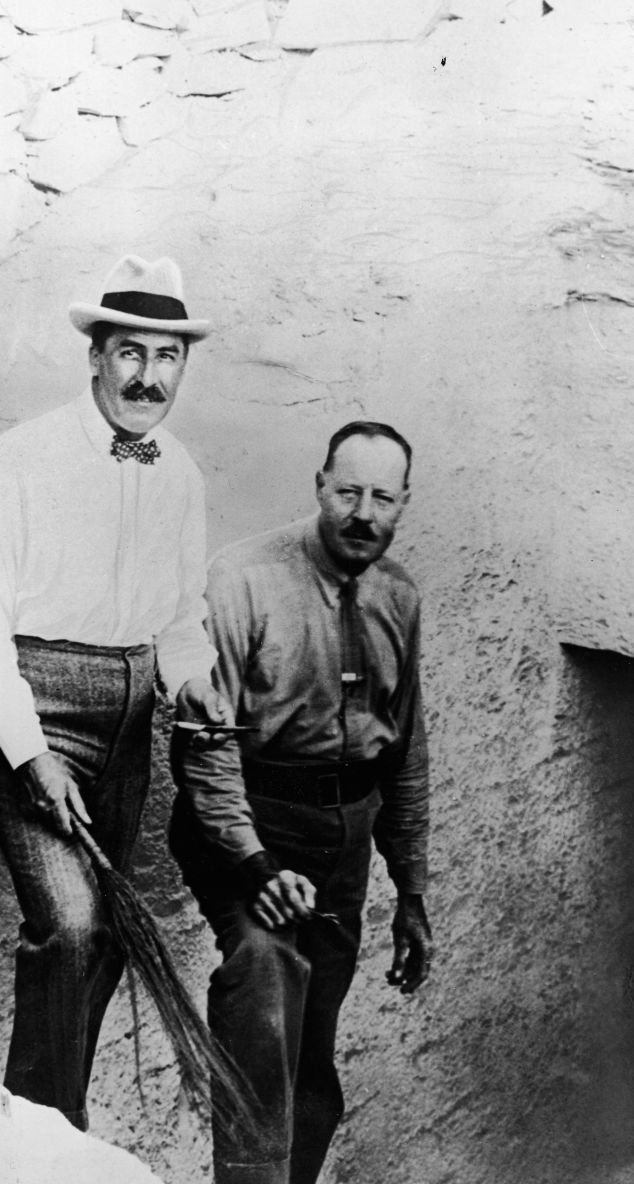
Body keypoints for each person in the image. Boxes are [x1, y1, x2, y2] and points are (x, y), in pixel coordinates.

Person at [0, 254, 232, 1129]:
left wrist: (196, 682)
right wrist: (27, 753)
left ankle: (50, 1130)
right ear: (94, 356)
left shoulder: (178, 472)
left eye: (166, 357)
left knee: (103, 942)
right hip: (37, 700)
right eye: (130, 353)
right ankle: (35, 1145)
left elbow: (178, 618)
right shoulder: (21, 460)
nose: (148, 376)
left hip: (132, 713)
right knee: (67, 925)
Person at [169, 420, 434, 1184]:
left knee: (313, 1053)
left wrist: (411, 891)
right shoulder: (244, 578)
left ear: (403, 504)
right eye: (347, 491)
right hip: (246, 824)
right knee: (263, 973)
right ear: (319, 487)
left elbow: (406, 749)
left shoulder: (400, 597)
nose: (363, 512)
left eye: (383, 497)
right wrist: (254, 866)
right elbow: (204, 748)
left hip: (341, 846)